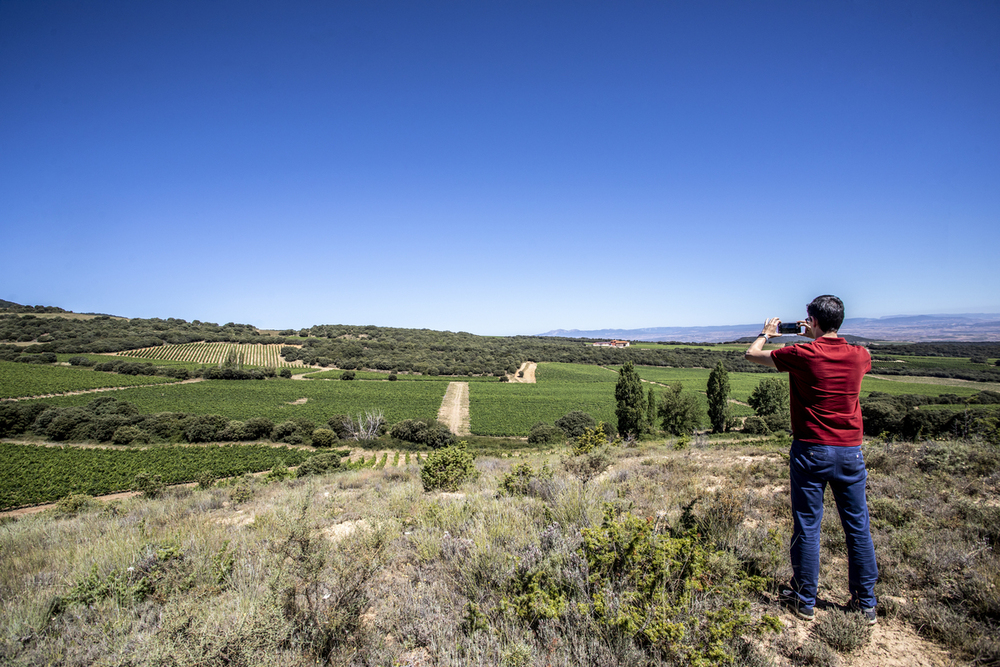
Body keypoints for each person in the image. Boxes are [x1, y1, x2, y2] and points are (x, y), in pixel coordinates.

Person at [744, 295, 877, 625]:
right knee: (858, 527)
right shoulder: (861, 356)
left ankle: (805, 600)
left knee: (808, 525)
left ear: (812, 320)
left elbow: (752, 355)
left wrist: (768, 333)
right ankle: (866, 602)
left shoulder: (802, 354)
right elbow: (838, 357)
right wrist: (817, 336)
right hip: (850, 451)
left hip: (811, 450)